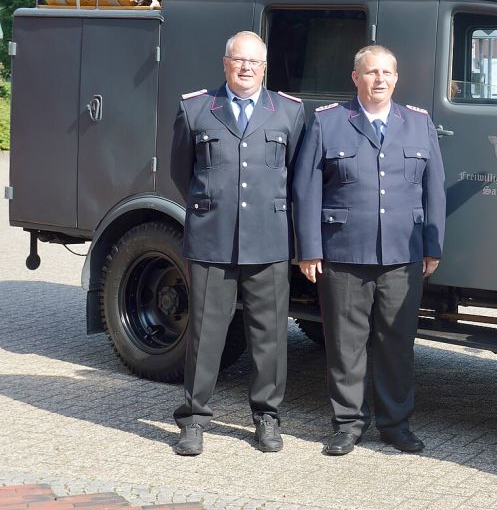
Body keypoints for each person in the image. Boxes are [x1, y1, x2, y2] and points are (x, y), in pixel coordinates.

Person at [292, 44, 446, 456]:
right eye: (371, 72)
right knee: (345, 345)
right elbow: (305, 190)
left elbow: (433, 188)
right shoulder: (328, 123)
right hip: (343, 253)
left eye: (387, 73)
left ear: (396, 79)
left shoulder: (417, 123)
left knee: (397, 343)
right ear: (356, 77)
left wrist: (434, 245)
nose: (380, 80)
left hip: (403, 253)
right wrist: (309, 249)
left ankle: (396, 425)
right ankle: (347, 423)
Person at [170, 30, 306, 456]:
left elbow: (297, 176)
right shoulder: (195, 109)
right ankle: (193, 419)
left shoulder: (289, 112)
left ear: (264, 68)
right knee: (205, 335)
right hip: (212, 241)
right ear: (224, 63)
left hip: (268, 241)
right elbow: (181, 173)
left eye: (254, 62)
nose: (246, 68)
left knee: (269, 336)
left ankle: (266, 417)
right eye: (238, 60)